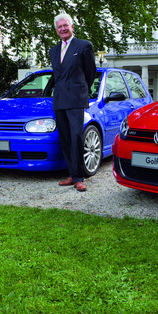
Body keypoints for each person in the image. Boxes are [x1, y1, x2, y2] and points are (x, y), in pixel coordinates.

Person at [50, 13, 97, 192]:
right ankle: (71, 174)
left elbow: (90, 73)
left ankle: (79, 178)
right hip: (60, 99)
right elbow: (57, 76)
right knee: (66, 139)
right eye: (59, 27)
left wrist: (81, 89)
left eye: (65, 26)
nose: (63, 29)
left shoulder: (84, 46)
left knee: (77, 136)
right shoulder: (53, 51)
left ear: (72, 27)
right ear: (56, 30)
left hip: (77, 98)